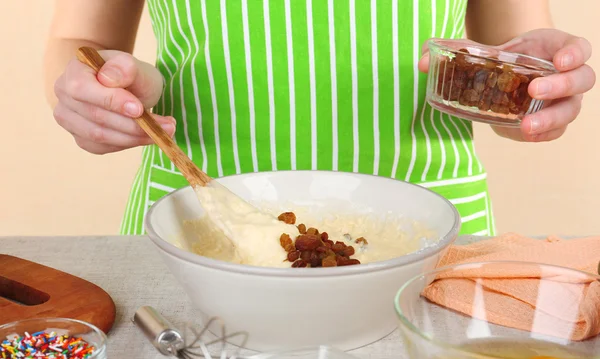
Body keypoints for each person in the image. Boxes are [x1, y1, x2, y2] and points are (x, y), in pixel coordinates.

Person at [44, 0, 595, 236]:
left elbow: (509, 78)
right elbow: (80, 41)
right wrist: (97, 92)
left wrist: (538, 89)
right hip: (201, 224)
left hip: (430, 231)